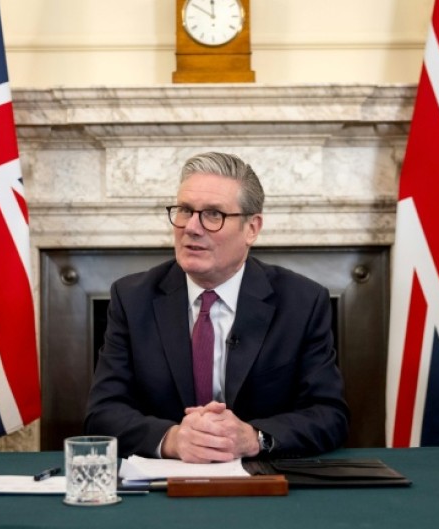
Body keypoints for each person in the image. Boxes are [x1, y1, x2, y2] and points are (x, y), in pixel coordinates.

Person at [84, 152, 349, 462]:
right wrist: (173, 440)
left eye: (213, 214)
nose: (191, 227)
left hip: (263, 479)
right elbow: (102, 412)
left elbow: (329, 415)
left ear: (252, 228)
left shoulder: (302, 302)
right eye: (185, 210)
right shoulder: (132, 298)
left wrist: (254, 438)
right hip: (165, 479)